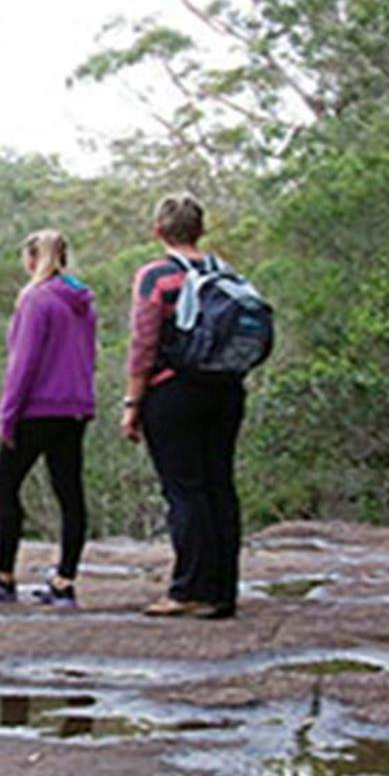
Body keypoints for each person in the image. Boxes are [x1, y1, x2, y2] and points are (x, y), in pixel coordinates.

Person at [121, 192, 244, 618]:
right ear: (201, 229)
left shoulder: (156, 276)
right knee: (219, 486)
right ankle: (222, 591)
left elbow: (144, 344)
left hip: (174, 392)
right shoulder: (224, 270)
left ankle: (189, 589)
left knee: (185, 490)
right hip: (227, 390)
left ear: (158, 231)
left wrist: (132, 403)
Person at [0, 229, 96, 608]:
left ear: (33, 259)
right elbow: (89, 355)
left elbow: (23, 364)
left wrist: (7, 416)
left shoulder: (36, 300)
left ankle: (3, 577)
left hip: (36, 410)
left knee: (4, 485)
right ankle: (64, 583)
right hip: (74, 409)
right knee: (70, 495)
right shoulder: (83, 302)